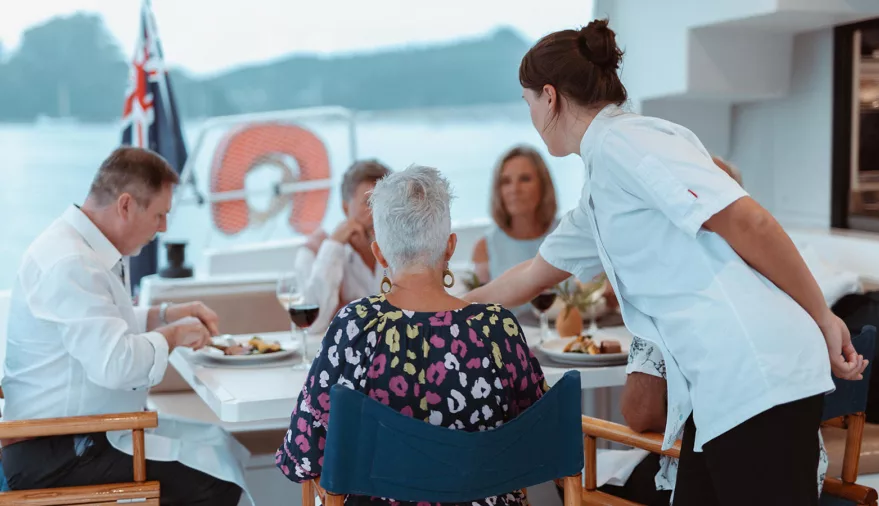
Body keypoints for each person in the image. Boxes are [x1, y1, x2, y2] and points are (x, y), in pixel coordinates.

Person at [465, 19, 868, 506]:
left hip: (755, 372)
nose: (529, 114)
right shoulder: (600, 187)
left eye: (527, 102)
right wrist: (440, 307)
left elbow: (750, 223)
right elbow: (530, 276)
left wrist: (822, 317)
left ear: (549, 97)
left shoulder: (627, 144)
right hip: (719, 387)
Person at [276, 165, 547, 506]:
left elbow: (303, 452)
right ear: (449, 248)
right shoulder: (498, 327)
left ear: (380, 253)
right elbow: (536, 438)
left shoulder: (354, 327)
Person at [2, 147, 247, 505]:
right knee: (215, 486)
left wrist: (167, 313)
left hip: (79, 435)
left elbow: (101, 323)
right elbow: (116, 365)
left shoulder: (83, 249)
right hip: (57, 452)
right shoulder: (71, 262)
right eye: (160, 215)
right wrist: (174, 335)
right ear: (126, 205)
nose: (163, 228)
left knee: (220, 443)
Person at [295, 160, 392, 334]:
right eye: (369, 202)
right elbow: (312, 325)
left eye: (386, 202)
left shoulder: (403, 248)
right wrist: (333, 246)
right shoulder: (313, 253)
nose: (379, 212)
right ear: (345, 207)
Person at [471, 146, 558, 314]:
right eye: (506, 182)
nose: (514, 190)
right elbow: (481, 312)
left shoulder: (565, 236)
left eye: (525, 179)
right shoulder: (485, 247)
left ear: (543, 185)